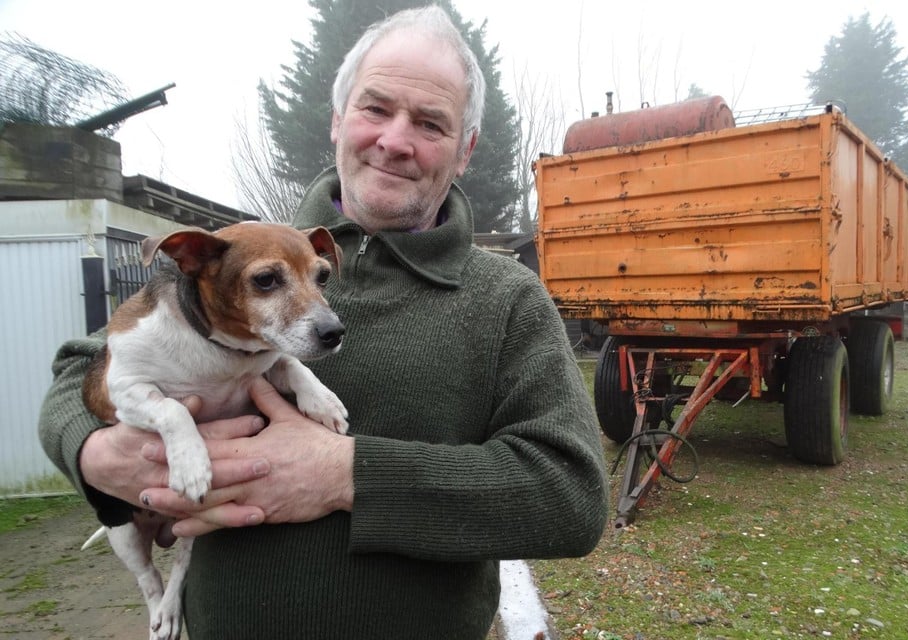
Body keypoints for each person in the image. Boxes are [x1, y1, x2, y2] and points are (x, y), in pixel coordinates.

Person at [38, 6, 608, 639]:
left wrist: (345, 475)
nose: (394, 139)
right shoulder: (242, 256)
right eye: (375, 108)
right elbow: (77, 372)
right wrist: (96, 452)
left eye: (430, 122)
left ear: (465, 149)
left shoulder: (506, 298)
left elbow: (571, 498)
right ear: (338, 121)